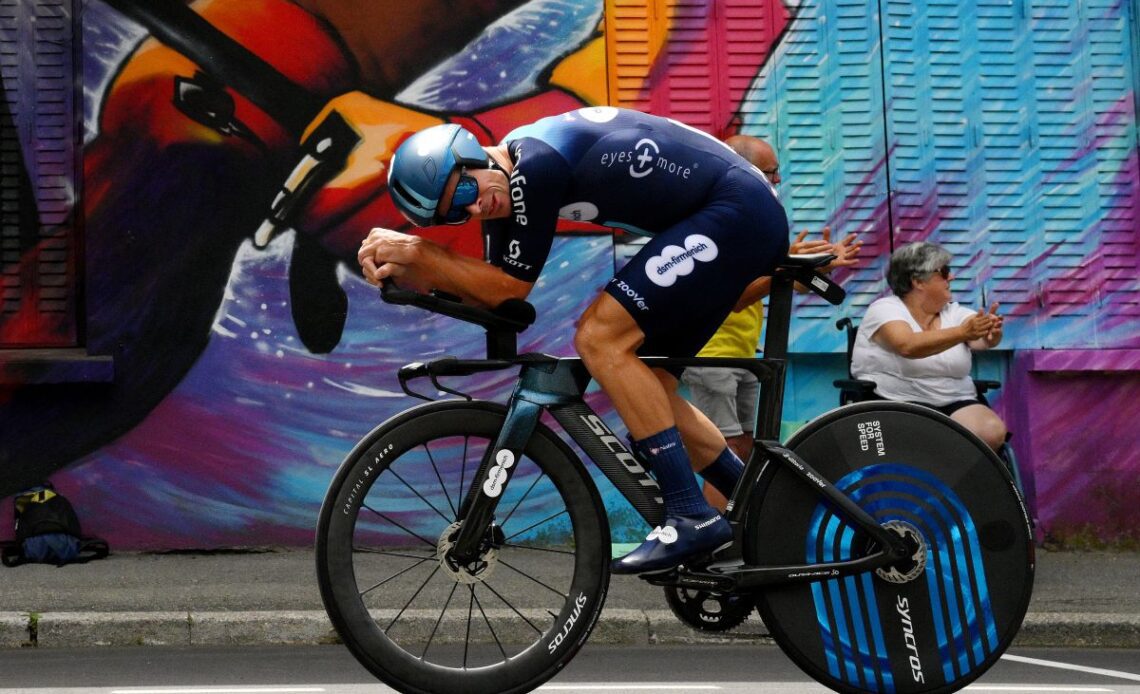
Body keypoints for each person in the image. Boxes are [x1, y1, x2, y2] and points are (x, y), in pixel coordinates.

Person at [359, 107, 797, 574]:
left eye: (465, 190)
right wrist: (414, 275)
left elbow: (509, 288)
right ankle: (763, 506)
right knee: (649, 388)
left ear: (475, 156)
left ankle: (689, 513)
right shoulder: (506, 187)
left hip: (737, 210)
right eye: (454, 213)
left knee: (600, 338)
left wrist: (420, 252)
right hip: (727, 217)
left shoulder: (535, 165)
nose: (473, 208)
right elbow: (500, 304)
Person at [680, 136, 860, 509]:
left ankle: (729, 532)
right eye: (770, 173)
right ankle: (710, 539)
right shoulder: (717, 220)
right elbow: (732, 297)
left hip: (740, 354)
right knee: (725, 452)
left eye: (777, 174)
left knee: (744, 447)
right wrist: (789, 267)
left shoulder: (746, 219)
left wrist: (799, 266)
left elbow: (757, 282)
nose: (776, 182)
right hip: (710, 355)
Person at [851, 241, 1008, 450]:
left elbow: (981, 340)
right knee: (927, 440)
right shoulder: (885, 309)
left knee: (991, 432)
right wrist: (962, 332)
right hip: (897, 401)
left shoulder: (955, 312)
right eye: (944, 272)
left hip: (956, 398)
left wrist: (991, 333)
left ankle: (956, 479)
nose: (951, 277)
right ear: (918, 281)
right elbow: (907, 345)